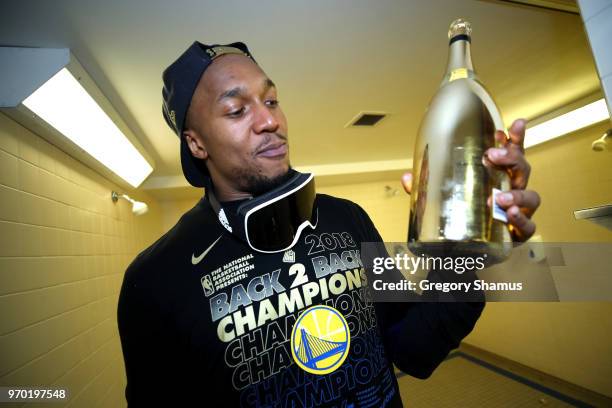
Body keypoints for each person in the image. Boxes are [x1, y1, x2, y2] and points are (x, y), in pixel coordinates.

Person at [117, 41, 541, 407]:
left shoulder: (347, 218)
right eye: (235, 109)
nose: (270, 121)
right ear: (196, 143)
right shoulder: (155, 281)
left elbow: (415, 350)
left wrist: (465, 252)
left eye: (271, 100)